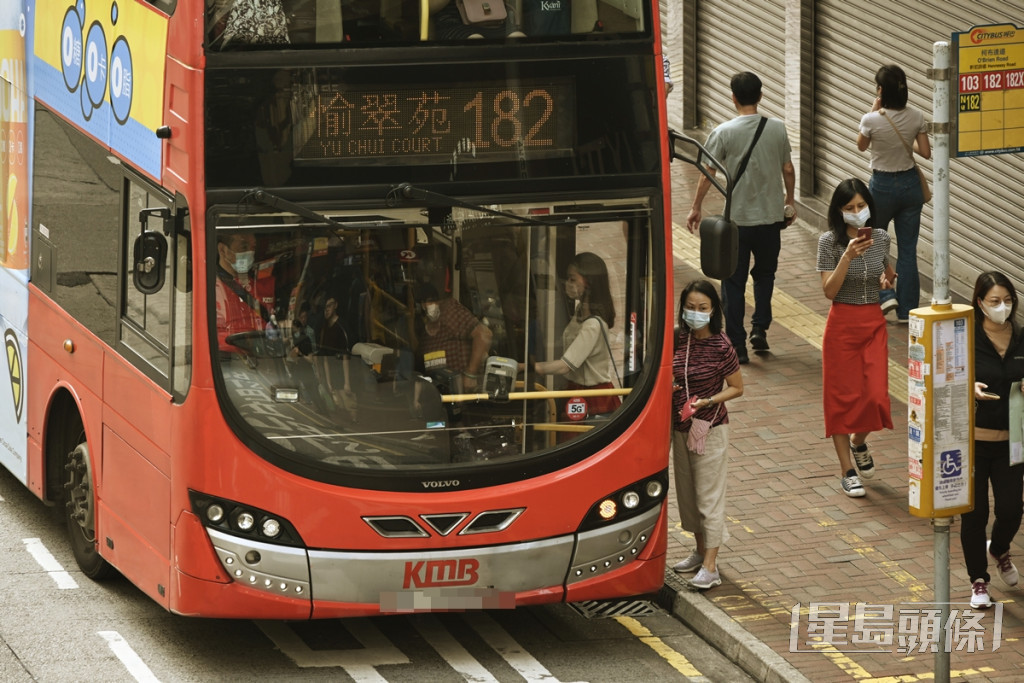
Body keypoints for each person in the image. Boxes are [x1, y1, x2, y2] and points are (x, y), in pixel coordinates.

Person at [686, 72, 796, 365]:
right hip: (771, 219)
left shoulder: (723, 132)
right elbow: (787, 168)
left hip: (736, 222)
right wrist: (790, 200)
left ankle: (737, 345)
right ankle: (760, 328)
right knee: (765, 275)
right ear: (760, 96)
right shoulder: (777, 128)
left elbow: (708, 172)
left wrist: (696, 206)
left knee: (732, 282)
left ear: (733, 97)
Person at [816, 178, 896, 497]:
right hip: (842, 325)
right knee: (840, 399)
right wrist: (847, 256)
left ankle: (858, 441)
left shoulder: (881, 238)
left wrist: (887, 280)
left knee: (876, 396)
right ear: (839, 211)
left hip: (873, 322)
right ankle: (847, 470)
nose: (856, 212)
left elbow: (883, 274)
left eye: (861, 206)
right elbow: (828, 291)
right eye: (849, 208)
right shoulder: (829, 242)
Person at [670, 279, 743, 590]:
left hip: (709, 429)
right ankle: (699, 552)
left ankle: (711, 566)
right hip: (679, 428)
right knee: (688, 494)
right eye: (690, 308)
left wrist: (708, 400)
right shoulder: (677, 338)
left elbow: (737, 388)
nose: (695, 313)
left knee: (708, 498)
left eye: (702, 309)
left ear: (713, 311)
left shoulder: (722, 346)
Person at [963, 271, 1024, 609]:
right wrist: (967, 387)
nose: (1003, 307)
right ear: (980, 303)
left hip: (1011, 441)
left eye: (1008, 301)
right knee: (975, 513)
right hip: (972, 441)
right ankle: (979, 581)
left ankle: (999, 548)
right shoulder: (966, 335)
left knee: (1012, 509)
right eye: (995, 301)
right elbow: (947, 375)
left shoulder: (1020, 336)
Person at [857, 64, 931, 323]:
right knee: (908, 250)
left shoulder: (871, 119)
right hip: (910, 186)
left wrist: (874, 111)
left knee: (873, 244)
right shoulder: (917, 116)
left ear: (880, 90)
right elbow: (925, 152)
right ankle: (907, 311)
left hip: (882, 187)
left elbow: (861, 146)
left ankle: (885, 297)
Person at [531, 253, 621, 423]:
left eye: (573, 279)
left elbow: (565, 366)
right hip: (576, 391)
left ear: (588, 282)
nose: (568, 284)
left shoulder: (593, 325)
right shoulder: (580, 311)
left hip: (593, 397)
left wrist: (529, 367)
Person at [415, 283, 493, 393]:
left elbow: (484, 335)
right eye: (426, 302)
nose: (430, 305)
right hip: (441, 396)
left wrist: (470, 374)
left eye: (434, 300)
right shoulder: (424, 337)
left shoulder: (451, 315)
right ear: (421, 306)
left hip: (466, 394)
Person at [215, 233, 273, 355]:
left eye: (253, 248)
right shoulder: (209, 287)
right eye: (243, 247)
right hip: (227, 359)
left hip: (262, 358)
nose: (250, 253)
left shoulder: (259, 285)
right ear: (222, 249)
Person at [317, 296, 356, 414]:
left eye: (329, 306)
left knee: (350, 408)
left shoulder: (342, 326)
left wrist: (347, 382)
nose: (327, 310)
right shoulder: (324, 328)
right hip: (332, 374)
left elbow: (346, 356)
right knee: (339, 407)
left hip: (343, 373)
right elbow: (325, 358)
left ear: (336, 306)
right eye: (325, 307)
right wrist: (329, 382)